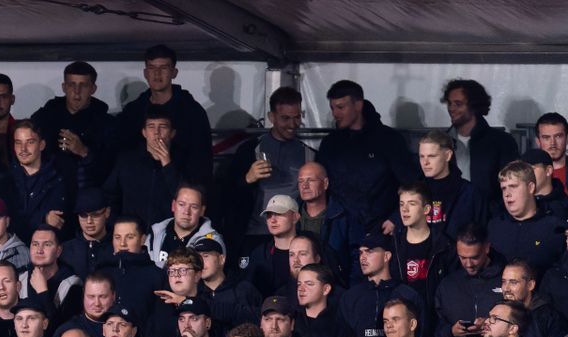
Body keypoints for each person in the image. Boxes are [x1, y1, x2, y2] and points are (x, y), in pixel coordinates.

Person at [316, 80, 416, 233]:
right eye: (332, 108)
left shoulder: (389, 140)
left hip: (380, 230)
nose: (335, 114)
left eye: (341, 107)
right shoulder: (329, 144)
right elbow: (318, 183)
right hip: (338, 232)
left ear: (358, 105)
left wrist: (396, 218)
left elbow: (411, 184)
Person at [225, 87, 314, 243]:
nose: (292, 124)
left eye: (297, 117)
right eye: (285, 118)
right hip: (254, 235)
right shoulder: (250, 150)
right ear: (271, 117)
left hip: (293, 236)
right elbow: (225, 192)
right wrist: (247, 178)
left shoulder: (309, 154)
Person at [115, 45, 213, 184]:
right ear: (145, 73)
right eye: (152, 68)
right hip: (140, 185)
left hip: (180, 186)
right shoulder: (133, 111)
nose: (157, 73)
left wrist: (194, 191)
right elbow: (123, 151)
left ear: (174, 72)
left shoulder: (192, 112)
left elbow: (202, 159)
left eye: (164, 68)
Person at [30, 61, 115, 193]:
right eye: (72, 85)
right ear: (64, 87)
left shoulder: (106, 124)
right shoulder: (44, 118)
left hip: (88, 195)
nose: (77, 91)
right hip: (48, 192)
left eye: (83, 85)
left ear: (93, 89)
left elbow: (111, 170)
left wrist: (84, 152)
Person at [442, 79, 518, 211]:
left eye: (458, 104)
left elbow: (513, 184)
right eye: (449, 103)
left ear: (474, 106)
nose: (451, 108)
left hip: (490, 217)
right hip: (450, 217)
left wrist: (490, 213)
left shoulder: (502, 142)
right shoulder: (441, 142)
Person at [339, 233, 423, 337]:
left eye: (369, 251)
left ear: (386, 256)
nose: (362, 258)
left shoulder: (407, 295)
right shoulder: (350, 297)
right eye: (361, 253)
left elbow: (422, 336)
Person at [103, 105, 182, 229]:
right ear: (144, 132)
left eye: (163, 127)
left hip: (168, 234)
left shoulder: (182, 162)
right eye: (151, 127)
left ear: (172, 133)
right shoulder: (127, 161)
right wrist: (118, 226)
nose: (156, 132)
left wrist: (167, 165)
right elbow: (110, 196)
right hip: (132, 234)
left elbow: (186, 199)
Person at [488, 161, 565, 276]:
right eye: (503, 188)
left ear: (530, 187)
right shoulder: (494, 227)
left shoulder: (555, 228)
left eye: (513, 186)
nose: (507, 194)